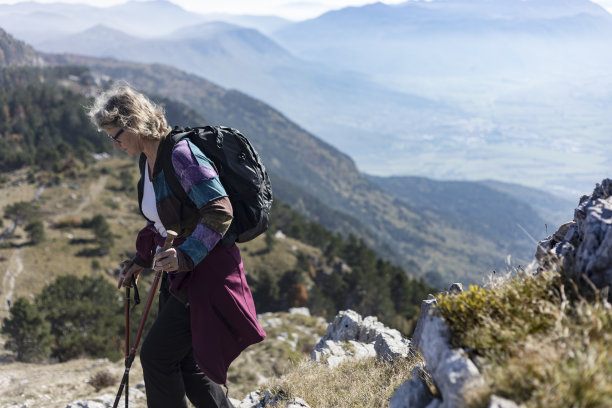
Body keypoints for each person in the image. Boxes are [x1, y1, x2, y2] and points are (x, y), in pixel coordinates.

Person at [88, 84, 266, 408]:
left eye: (116, 136)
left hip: (207, 273)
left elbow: (219, 209)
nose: (114, 145)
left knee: (156, 356)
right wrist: (140, 261)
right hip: (179, 272)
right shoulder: (148, 160)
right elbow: (161, 220)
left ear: (135, 124)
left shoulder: (180, 156)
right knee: (187, 366)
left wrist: (186, 254)